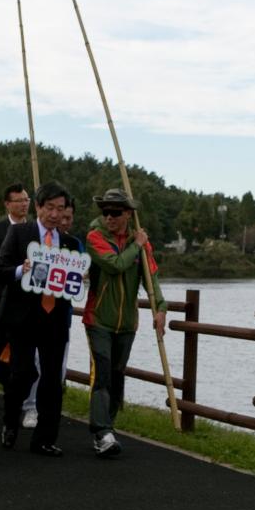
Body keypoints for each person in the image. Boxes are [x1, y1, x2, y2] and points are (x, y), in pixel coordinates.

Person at [0, 181, 81, 457]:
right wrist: (21, 269)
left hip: (55, 320)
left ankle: (45, 438)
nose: (55, 214)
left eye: (61, 209)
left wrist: (78, 278)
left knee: (53, 380)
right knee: (22, 374)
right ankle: (10, 420)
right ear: (38, 207)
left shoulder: (70, 243)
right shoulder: (19, 234)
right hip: (22, 318)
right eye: (50, 207)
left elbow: (74, 281)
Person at [84, 188, 167, 457]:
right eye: (105, 212)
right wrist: (137, 245)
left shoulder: (139, 241)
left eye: (115, 213)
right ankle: (101, 431)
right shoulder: (94, 237)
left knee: (117, 376)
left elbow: (150, 276)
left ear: (128, 214)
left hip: (127, 323)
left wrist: (161, 307)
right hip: (98, 319)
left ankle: (108, 429)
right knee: (103, 372)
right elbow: (117, 264)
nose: (109, 217)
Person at [0, 184, 30, 389]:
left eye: (26, 200)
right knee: (4, 345)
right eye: (19, 201)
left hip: (30, 300)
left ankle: (23, 391)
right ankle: (7, 383)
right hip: (3, 299)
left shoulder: (36, 228)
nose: (23, 204)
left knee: (27, 350)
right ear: (7, 204)